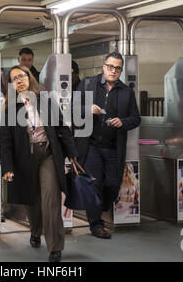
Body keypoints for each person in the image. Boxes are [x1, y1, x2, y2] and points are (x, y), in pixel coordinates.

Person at [0, 65, 78, 262]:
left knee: (50, 200)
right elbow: (5, 140)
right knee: (32, 200)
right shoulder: (10, 108)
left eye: (22, 76)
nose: (19, 80)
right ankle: (35, 231)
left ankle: (55, 247)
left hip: (48, 155)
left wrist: (72, 154)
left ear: (29, 77)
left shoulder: (46, 99)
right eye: (14, 78)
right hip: (24, 159)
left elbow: (61, 127)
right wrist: (7, 167)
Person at [75, 51, 141, 239]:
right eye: (110, 66)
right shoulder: (88, 84)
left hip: (113, 148)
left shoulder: (126, 92)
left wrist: (123, 122)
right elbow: (70, 108)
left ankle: (98, 207)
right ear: (103, 66)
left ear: (120, 70)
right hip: (91, 146)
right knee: (94, 185)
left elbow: (136, 119)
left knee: (112, 184)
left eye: (117, 68)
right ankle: (96, 225)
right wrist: (86, 109)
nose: (113, 70)